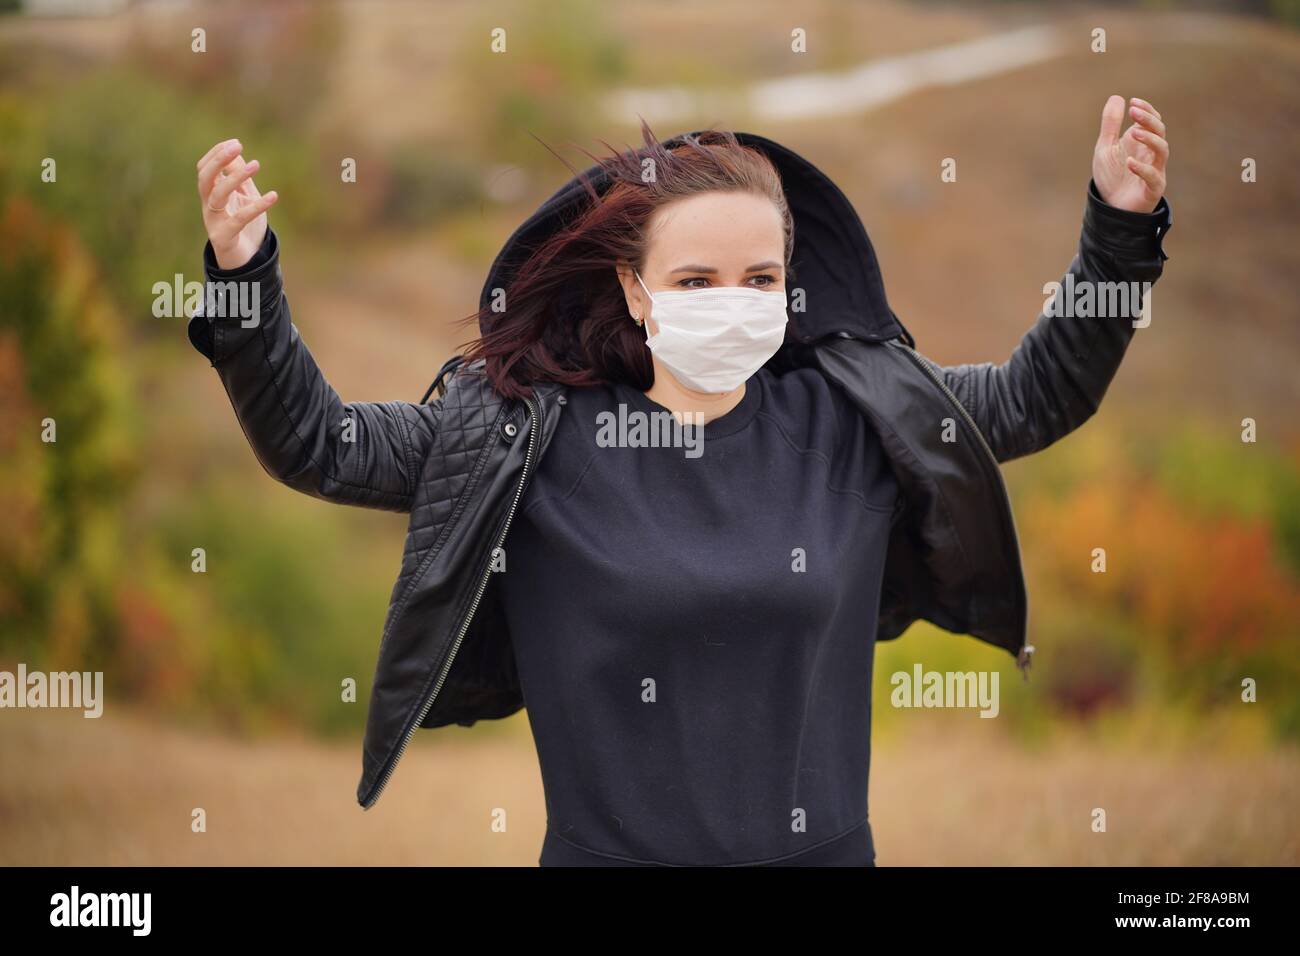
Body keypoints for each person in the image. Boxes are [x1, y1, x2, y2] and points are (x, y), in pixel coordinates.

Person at [188, 97, 1171, 866]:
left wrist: (1118, 235)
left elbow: (1040, 394)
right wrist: (245, 278)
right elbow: (319, 444)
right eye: (696, 280)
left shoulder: (857, 423)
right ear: (633, 287)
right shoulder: (523, 442)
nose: (732, 304)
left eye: (758, 279)